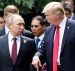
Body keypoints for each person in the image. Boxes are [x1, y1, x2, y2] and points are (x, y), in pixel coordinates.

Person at [32, 2, 75, 71]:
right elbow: (42, 49)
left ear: (57, 15)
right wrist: (36, 56)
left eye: (47, 15)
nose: (46, 18)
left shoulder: (73, 26)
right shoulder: (48, 30)